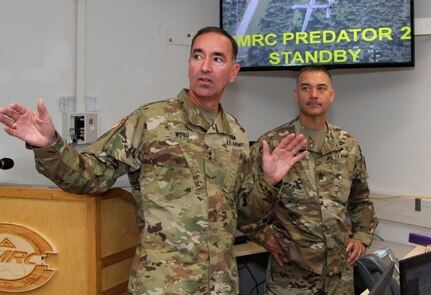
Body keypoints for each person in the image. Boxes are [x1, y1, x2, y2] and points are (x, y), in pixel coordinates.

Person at [0, 27, 308, 294]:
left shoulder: (236, 135)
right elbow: (89, 175)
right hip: (162, 285)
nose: (205, 67)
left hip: (221, 285)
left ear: (233, 71)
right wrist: (49, 145)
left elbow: (243, 213)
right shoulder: (150, 121)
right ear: (188, 63)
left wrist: (269, 181)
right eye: (197, 56)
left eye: (217, 59)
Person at [239, 65, 378, 295]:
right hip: (291, 279)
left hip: (338, 278)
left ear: (331, 95)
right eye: (306, 88)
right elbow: (244, 208)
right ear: (296, 95)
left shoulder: (348, 144)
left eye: (321, 88)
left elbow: (361, 198)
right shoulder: (273, 144)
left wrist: (363, 236)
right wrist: (265, 238)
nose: (313, 94)